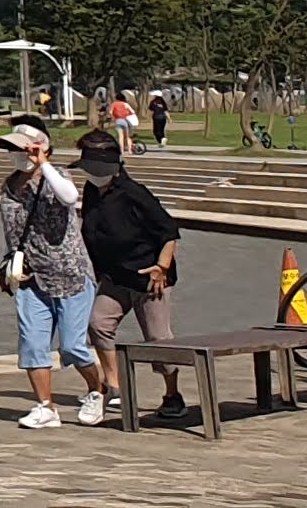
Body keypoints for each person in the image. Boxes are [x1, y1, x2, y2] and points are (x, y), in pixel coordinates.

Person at [0, 123, 111, 428]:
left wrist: (43, 164)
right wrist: (8, 265)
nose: (17, 154)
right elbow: (12, 230)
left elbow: (69, 197)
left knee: (73, 346)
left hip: (70, 274)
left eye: (22, 148)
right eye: (12, 149)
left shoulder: (58, 176)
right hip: (31, 278)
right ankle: (46, 406)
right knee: (33, 344)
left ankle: (97, 390)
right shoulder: (10, 185)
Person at [75, 129, 188, 423]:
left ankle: (173, 395)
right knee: (98, 323)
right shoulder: (92, 191)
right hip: (115, 277)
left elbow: (169, 231)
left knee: (158, 338)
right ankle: (114, 386)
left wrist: (161, 267)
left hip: (149, 278)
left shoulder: (134, 193)